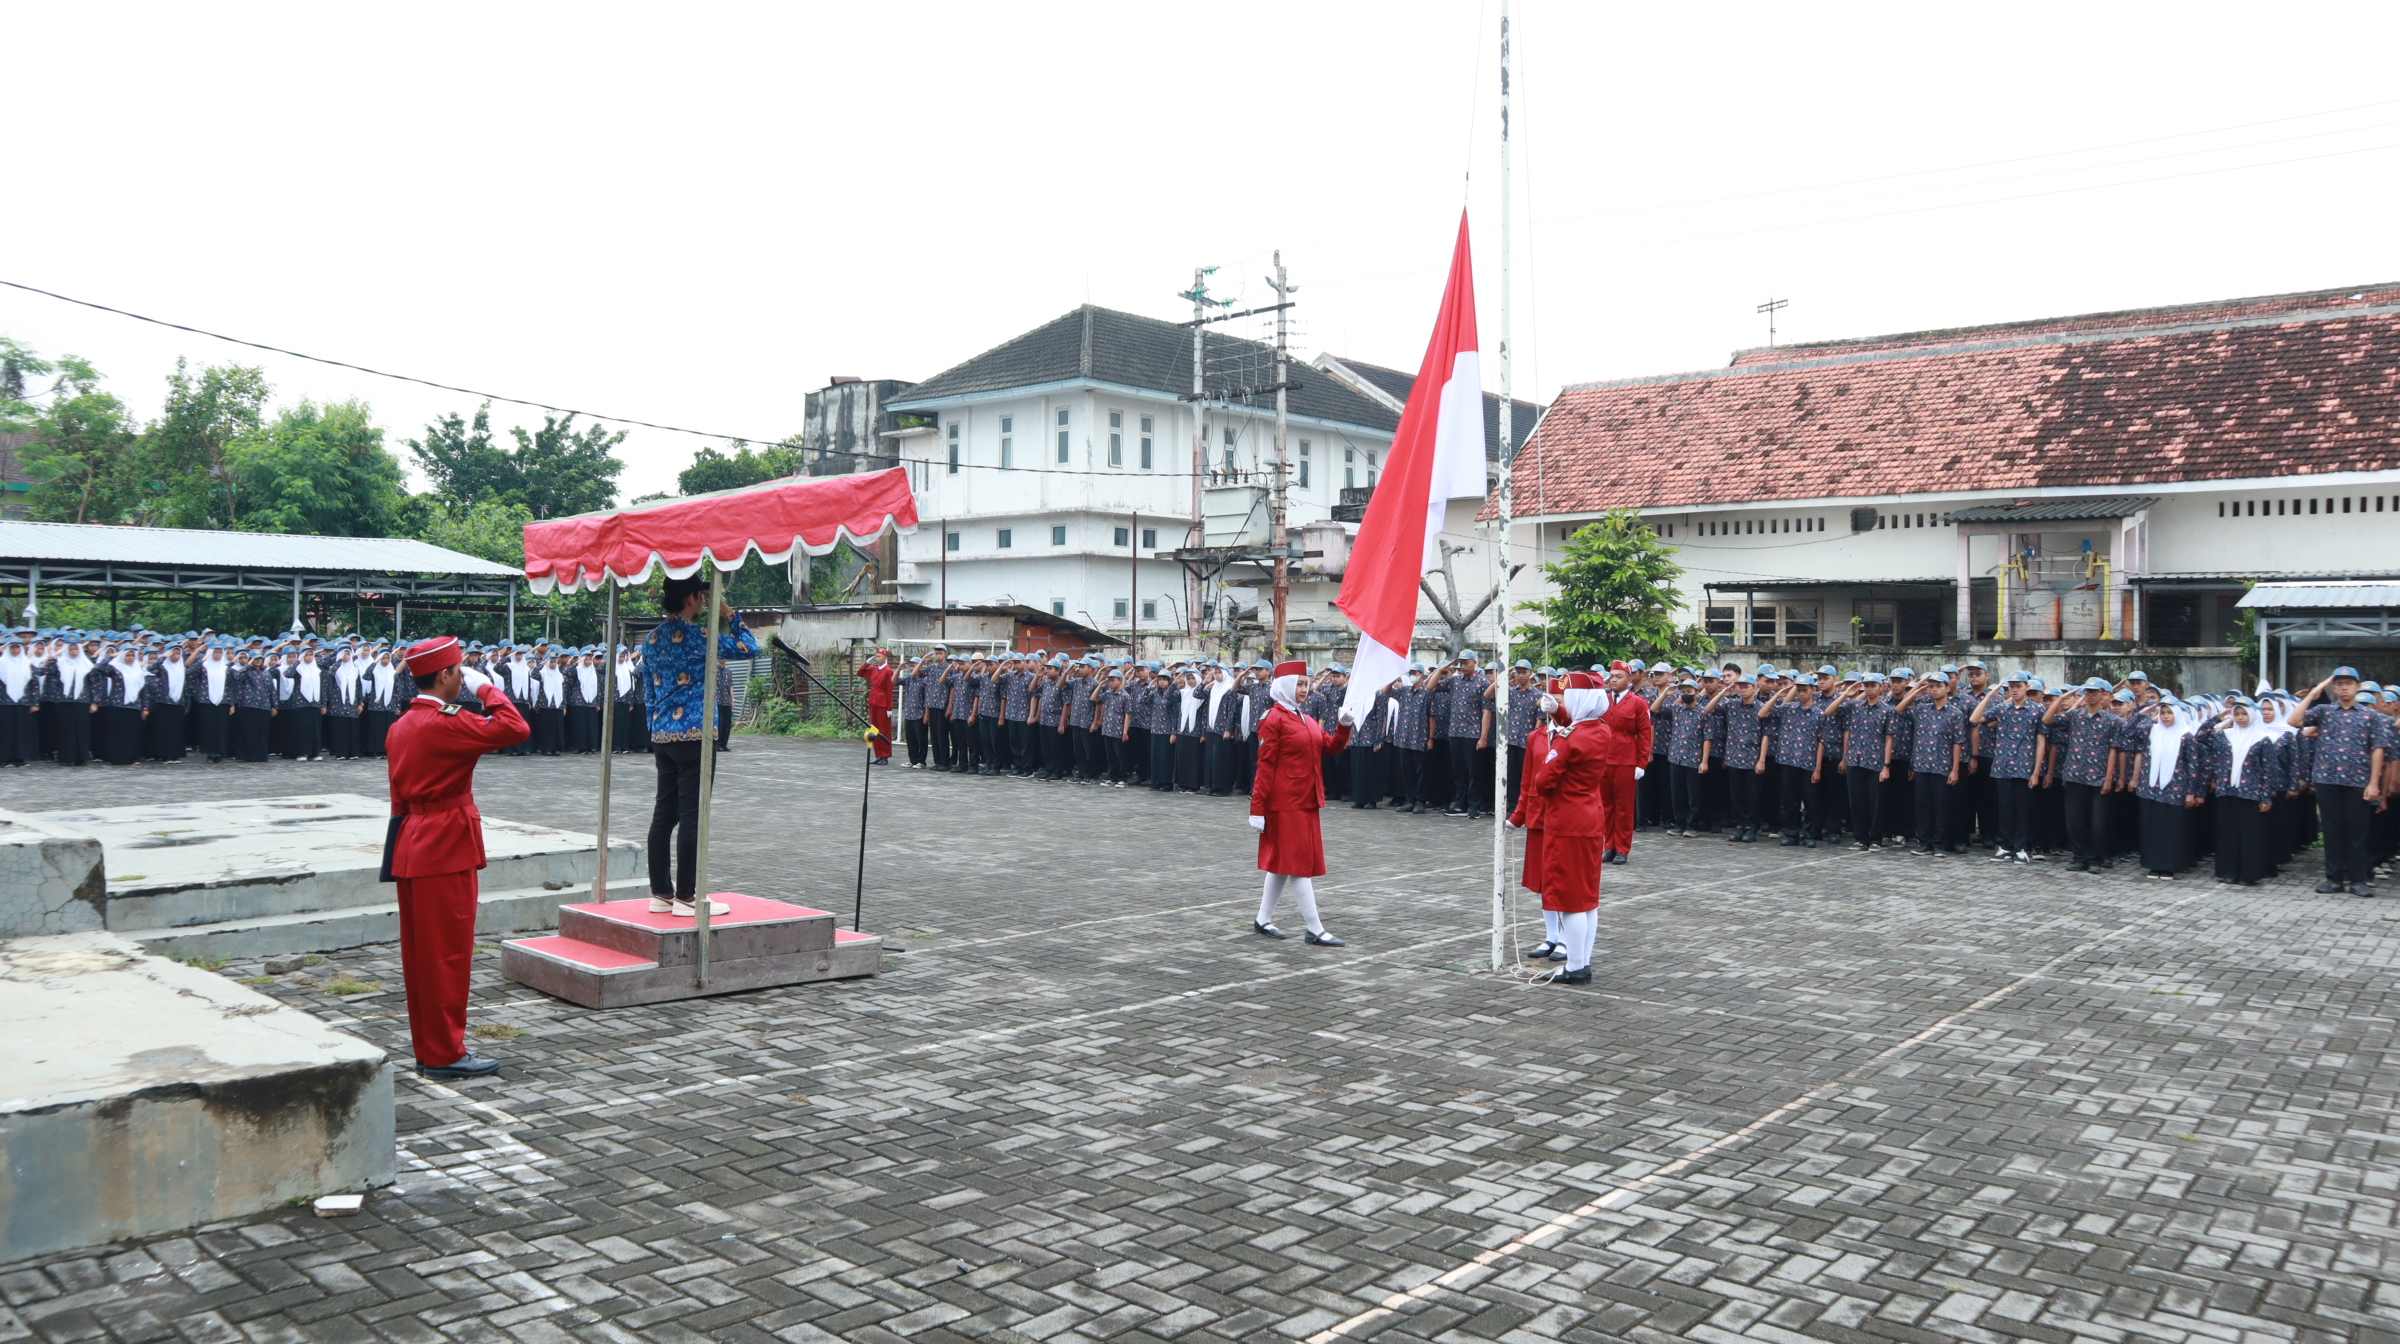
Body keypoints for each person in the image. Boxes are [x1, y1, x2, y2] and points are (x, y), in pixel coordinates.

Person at [382, 635, 529, 1080]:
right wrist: (487, 689)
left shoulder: (401, 725)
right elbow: (515, 728)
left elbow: (397, 798)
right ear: (445, 675)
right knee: (448, 955)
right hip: (445, 845)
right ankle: (446, 1052)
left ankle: (431, 1048)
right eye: (459, 671)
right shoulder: (444, 722)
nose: (461, 678)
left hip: (411, 842)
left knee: (421, 956)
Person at [641, 578, 757, 917]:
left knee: (664, 815)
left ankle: (661, 893)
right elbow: (750, 647)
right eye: (702, 596)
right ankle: (687, 898)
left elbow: (648, 693)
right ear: (692, 596)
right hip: (694, 733)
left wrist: (655, 727)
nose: (704, 602)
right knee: (692, 815)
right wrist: (728, 612)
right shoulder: (699, 636)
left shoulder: (650, 639)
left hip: (662, 734)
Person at [1521, 672, 1617, 986]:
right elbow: (1576, 718)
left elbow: (1543, 780)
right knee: (1587, 898)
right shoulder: (1600, 728)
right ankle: (1582, 962)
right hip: (1590, 817)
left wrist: (1558, 737)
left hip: (1566, 821)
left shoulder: (1570, 738)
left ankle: (1574, 967)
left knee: (1570, 898)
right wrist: (1557, 712)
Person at [1252, 659, 1355, 946]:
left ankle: (1263, 919)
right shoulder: (1273, 719)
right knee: (1297, 865)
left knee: (1283, 864)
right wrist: (1257, 809)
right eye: (1298, 684)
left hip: (1306, 800)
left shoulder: (1306, 718)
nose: (1304, 689)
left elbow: (1331, 746)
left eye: (1306, 684)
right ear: (1284, 685)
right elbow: (1265, 766)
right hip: (1284, 803)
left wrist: (1344, 725)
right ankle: (1315, 928)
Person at [2287, 667, 2390, 897]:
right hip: (2327, 780)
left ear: (2358, 687)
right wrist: (2315, 692)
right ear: (2334, 687)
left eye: (2349, 683)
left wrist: (2374, 783)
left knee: (2357, 833)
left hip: (2357, 782)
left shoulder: (2370, 716)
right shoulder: (2324, 711)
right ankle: (2333, 879)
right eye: (2340, 683)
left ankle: (2358, 879)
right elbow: (2294, 721)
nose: (2344, 687)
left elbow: (2377, 750)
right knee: (2333, 832)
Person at [861, 648, 896, 765]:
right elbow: (860, 672)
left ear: (885, 657)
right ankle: (878, 755)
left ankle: (885, 756)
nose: (876, 658)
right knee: (874, 729)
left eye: (879, 656)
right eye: (876, 656)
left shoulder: (888, 671)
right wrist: (867, 663)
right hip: (873, 701)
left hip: (883, 704)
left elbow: (890, 690)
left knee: (884, 730)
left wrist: (889, 708)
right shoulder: (874, 669)